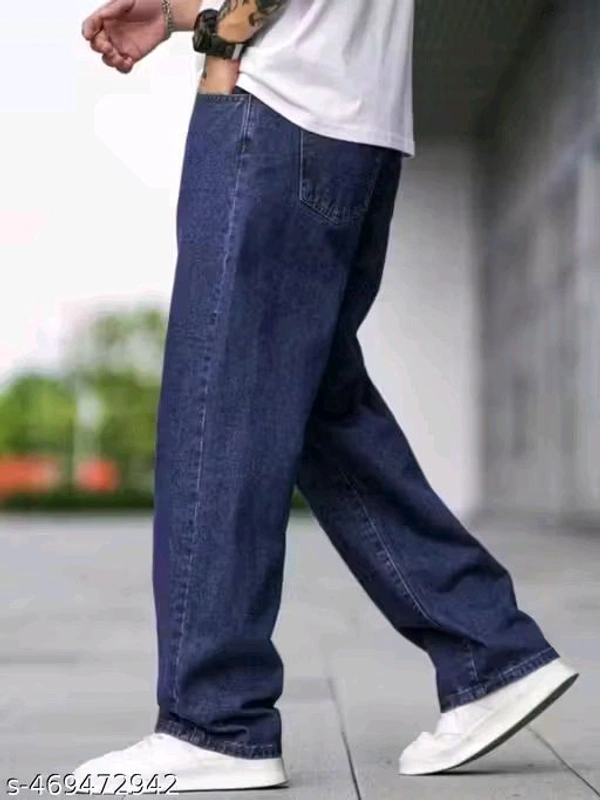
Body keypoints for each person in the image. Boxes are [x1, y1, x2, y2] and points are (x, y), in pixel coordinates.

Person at [76, 0, 577, 792]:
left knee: (216, 406)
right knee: (314, 407)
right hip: (355, 123)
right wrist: (178, 13)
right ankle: (490, 648)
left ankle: (215, 720)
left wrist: (221, 35)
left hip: (277, 108)